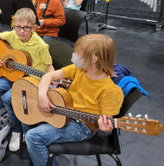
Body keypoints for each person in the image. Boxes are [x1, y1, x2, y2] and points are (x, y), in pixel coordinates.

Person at [25, 34, 124, 166]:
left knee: (33, 136)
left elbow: (104, 130)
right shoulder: (79, 70)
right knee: (27, 116)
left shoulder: (111, 91)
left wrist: (105, 130)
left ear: (94, 59)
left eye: (77, 53)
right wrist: (42, 96)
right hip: (65, 111)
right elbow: (48, 76)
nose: (74, 56)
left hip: (83, 127)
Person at [0, 7, 54, 152]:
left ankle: (16, 130)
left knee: (9, 98)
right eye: (18, 27)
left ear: (34, 28)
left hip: (31, 79)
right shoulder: (12, 35)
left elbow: (49, 67)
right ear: (13, 26)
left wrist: (51, 79)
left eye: (26, 28)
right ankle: (6, 121)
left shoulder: (41, 45)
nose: (21, 31)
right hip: (12, 75)